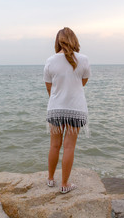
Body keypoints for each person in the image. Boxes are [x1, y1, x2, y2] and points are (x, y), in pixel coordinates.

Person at [43, 27, 91, 194]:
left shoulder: (50, 61)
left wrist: (59, 97)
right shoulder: (83, 59)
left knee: (54, 145)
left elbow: (50, 88)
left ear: (58, 42)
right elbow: (82, 83)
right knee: (69, 147)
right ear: (74, 40)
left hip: (55, 108)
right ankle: (64, 184)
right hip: (75, 109)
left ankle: (50, 179)